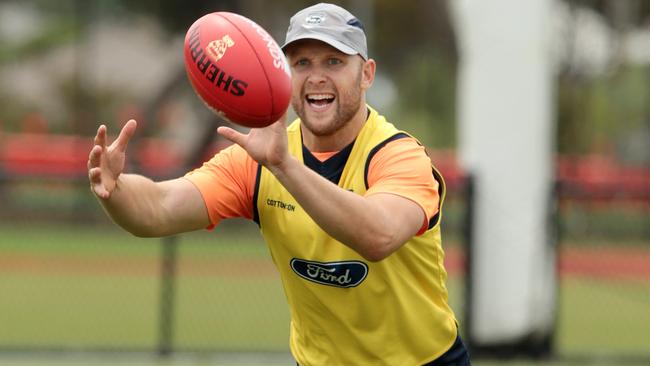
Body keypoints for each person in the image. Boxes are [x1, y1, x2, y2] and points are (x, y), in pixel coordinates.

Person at [87, 3, 470, 365]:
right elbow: (158, 208)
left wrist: (283, 166)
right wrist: (116, 190)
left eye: (334, 61)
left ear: (366, 73)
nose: (316, 76)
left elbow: (379, 236)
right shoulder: (258, 159)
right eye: (302, 62)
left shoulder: (397, 156)